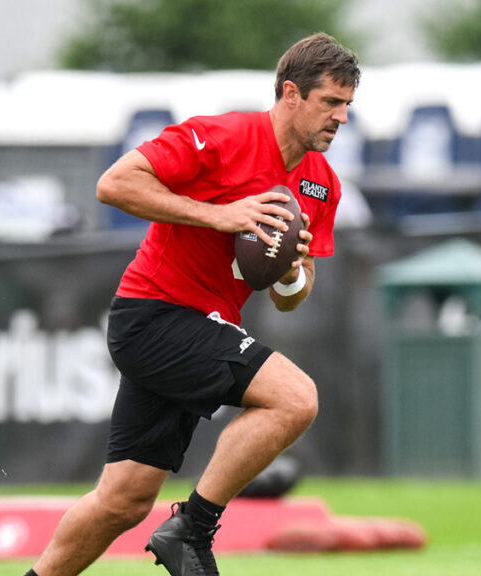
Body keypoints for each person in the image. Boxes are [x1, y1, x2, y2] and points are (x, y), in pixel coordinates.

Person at [25, 33, 359, 576]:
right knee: (296, 399)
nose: (341, 117)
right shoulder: (222, 136)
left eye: (347, 105)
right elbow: (114, 184)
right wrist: (221, 215)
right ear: (291, 94)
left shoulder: (321, 185)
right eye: (331, 102)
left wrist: (292, 271)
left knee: (123, 500)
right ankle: (192, 528)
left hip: (197, 325)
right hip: (154, 314)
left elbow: (293, 297)